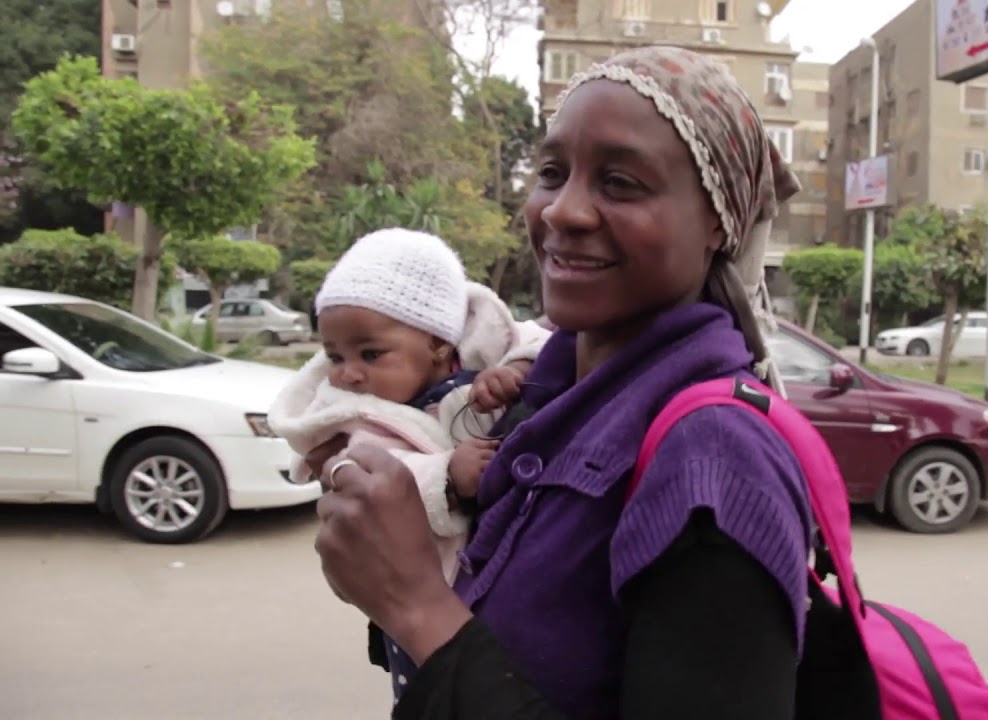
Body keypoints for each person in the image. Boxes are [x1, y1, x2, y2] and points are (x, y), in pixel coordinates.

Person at [309, 46, 818, 719]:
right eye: (551, 173)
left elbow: (444, 630)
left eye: (621, 182)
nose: (562, 211)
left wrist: (415, 604)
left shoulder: (715, 461)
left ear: (718, 222)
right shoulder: (529, 399)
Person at [267, 228, 549, 695]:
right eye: (334, 355)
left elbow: (543, 341)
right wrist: (445, 477)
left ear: (438, 343)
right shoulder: (353, 414)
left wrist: (514, 370)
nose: (348, 373)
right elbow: (364, 476)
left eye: (370, 354)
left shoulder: (487, 354)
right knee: (431, 685)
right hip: (425, 582)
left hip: (497, 583)